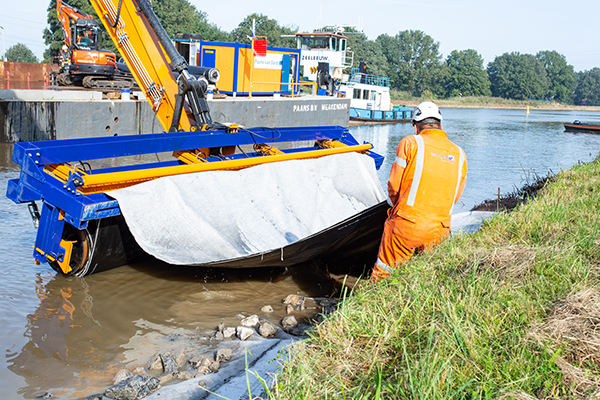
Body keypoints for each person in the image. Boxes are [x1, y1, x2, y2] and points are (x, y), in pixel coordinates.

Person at [372, 101, 467, 281]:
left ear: (416, 127)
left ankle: (372, 306)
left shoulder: (410, 143)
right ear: (440, 125)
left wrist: (398, 212)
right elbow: (454, 197)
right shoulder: (460, 154)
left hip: (406, 225)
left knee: (384, 274)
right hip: (440, 229)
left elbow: (393, 186)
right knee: (426, 278)